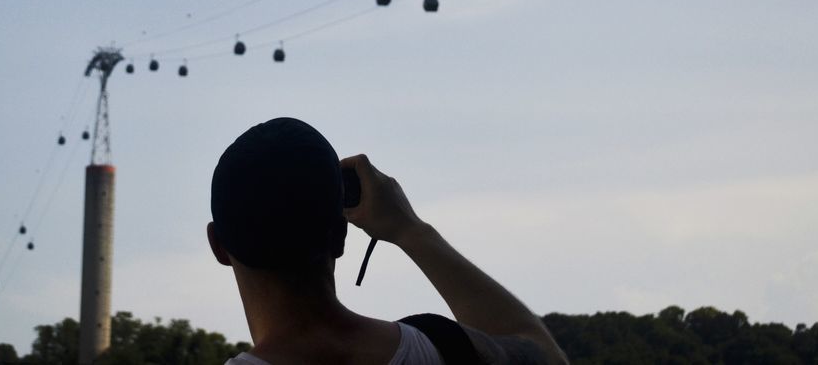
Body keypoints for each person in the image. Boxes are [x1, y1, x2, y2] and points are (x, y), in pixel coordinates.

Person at [208, 117, 569, 365]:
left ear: (219, 246)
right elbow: (542, 353)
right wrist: (409, 229)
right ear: (341, 235)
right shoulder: (442, 349)